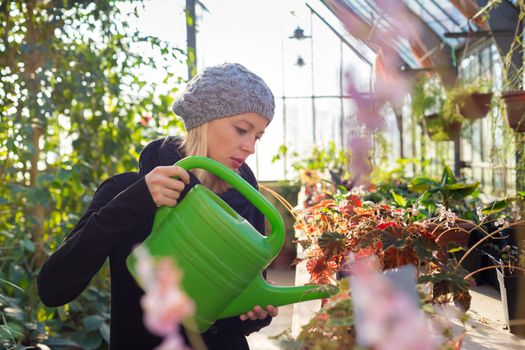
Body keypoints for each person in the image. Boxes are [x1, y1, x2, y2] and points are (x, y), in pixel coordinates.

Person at [37, 62, 279, 349]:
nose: (250, 147)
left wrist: (255, 315)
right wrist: (134, 202)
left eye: (258, 137)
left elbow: (235, 310)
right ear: (203, 119)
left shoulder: (246, 202)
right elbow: (53, 289)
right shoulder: (127, 192)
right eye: (242, 129)